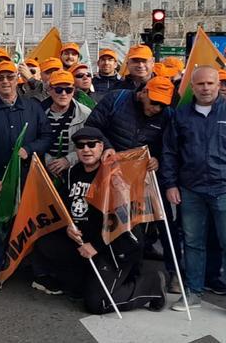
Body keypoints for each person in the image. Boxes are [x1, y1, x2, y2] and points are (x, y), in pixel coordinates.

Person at [161, 66, 226, 322]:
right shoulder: (180, 116)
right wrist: (170, 184)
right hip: (190, 190)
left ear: (219, 85)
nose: (205, 88)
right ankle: (193, 292)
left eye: (210, 83)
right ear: (192, 86)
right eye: (200, 83)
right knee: (192, 243)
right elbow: (170, 153)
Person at [38, 127, 167, 313]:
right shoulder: (72, 173)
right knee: (47, 242)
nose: (86, 149)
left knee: (97, 304)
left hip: (116, 247)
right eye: (80, 145)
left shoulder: (114, 175)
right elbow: (64, 206)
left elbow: (123, 222)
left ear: (101, 147)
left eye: (92, 145)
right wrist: (68, 227)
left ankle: (151, 285)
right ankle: (83, 279)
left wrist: (97, 246)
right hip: (85, 242)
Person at [84, 76, 180, 291]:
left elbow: (169, 145)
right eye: (154, 102)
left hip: (142, 177)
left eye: (163, 104)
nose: (157, 108)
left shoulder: (167, 115)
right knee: (106, 221)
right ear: (144, 92)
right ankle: (103, 267)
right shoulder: (116, 99)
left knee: (154, 223)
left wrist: (158, 159)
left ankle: (170, 272)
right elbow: (93, 126)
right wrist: (106, 146)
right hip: (110, 173)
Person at [0, 61, 51, 291]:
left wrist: (31, 149)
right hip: (0, 178)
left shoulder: (33, 107)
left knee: (31, 223)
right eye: (0, 78)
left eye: (9, 77)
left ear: (18, 78)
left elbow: (46, 135)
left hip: (29, 176)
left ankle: (35, 271)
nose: (5, 82)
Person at [42, 70, 92, 177]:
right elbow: (34, 140)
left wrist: (68, 160)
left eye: (68, 90)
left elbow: (92, 145)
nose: (63, 94)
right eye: (58, 89)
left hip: (75, 172)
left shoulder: (85, 114)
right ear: (49, 90)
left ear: (73, 91)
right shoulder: (39, 113)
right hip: (44, 172)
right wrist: (48, 161)